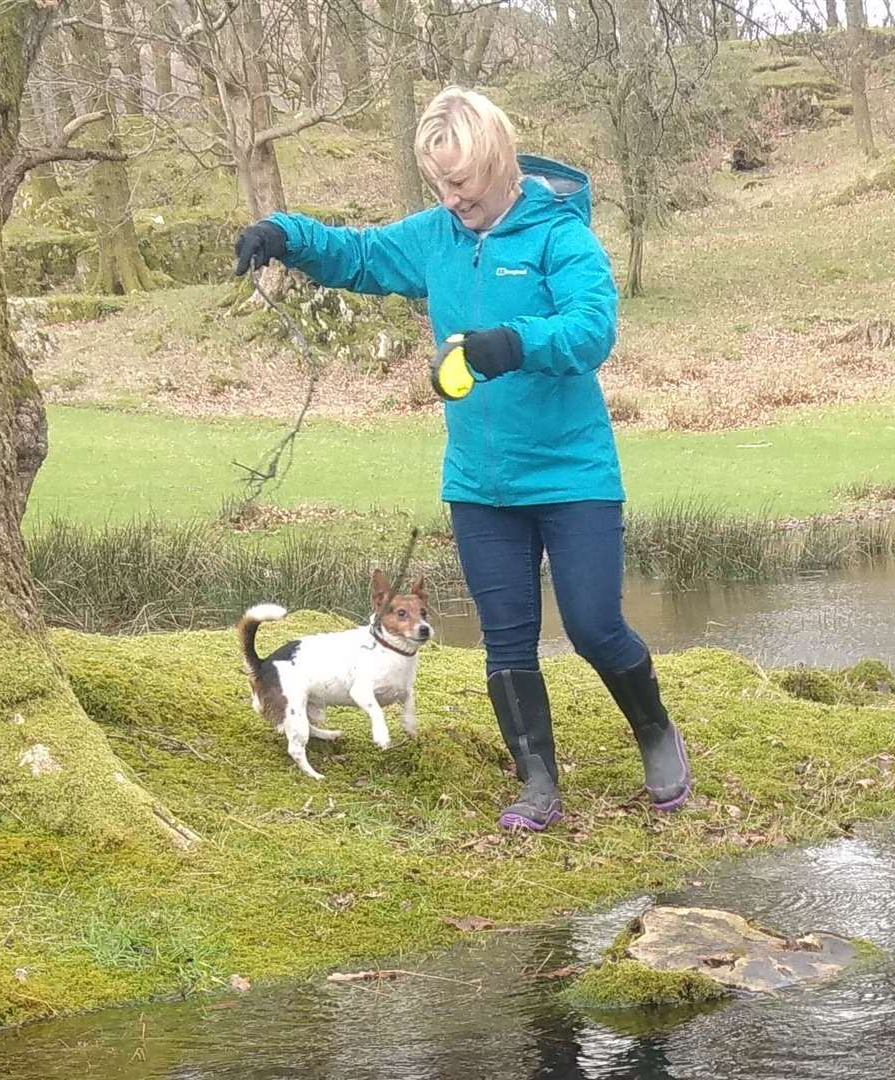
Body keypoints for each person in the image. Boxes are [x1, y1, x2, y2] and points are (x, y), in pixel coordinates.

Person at [232, 86, 691, 831]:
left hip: (573, 475)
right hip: (480, 485)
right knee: (506, 639)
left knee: (594, 625)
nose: (451, 198)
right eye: (439, 184)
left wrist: (511, 343)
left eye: (462, 183)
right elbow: (359, 254)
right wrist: (282, 234)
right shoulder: (438, 235)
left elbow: (592, 328)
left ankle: (655, 733)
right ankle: (538, 782)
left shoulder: (559, 237)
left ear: (500, 163)